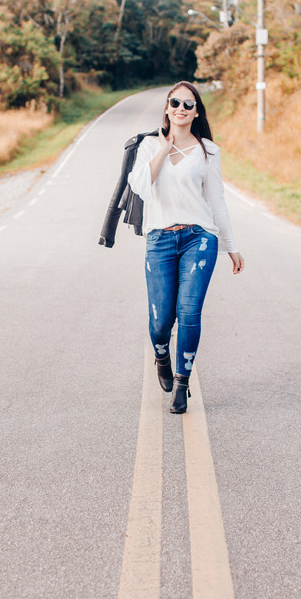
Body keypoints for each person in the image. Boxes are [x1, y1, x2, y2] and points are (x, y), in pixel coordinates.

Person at [126, 82, 244, 414]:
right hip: (159, 239)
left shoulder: (209, 151)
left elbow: (217, 202)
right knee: (161, 320)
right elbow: (139, 185)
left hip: (199, 238)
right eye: (175, 102)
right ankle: (161, 354)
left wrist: (231, 246)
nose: (181, 108)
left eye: (188, 104)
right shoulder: (149, 145)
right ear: (166, 108)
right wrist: (165, 148)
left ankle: (182, 384)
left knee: (188, 313)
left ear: (196, 111)